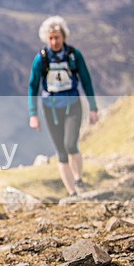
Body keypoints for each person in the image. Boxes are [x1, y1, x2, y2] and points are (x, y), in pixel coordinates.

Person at [28, 15, 98, 197]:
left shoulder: (74, 56)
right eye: (51, 38)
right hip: (50, 109)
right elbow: (33, 86)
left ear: (64, 36)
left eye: (57, 37)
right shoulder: (41, 59)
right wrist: (33, 114)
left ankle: (78, 178)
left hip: (73, 105)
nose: (54, 41)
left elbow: (86, 81)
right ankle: (72, 193)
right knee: (61, 151)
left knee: (70, 144)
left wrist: (93, 107)